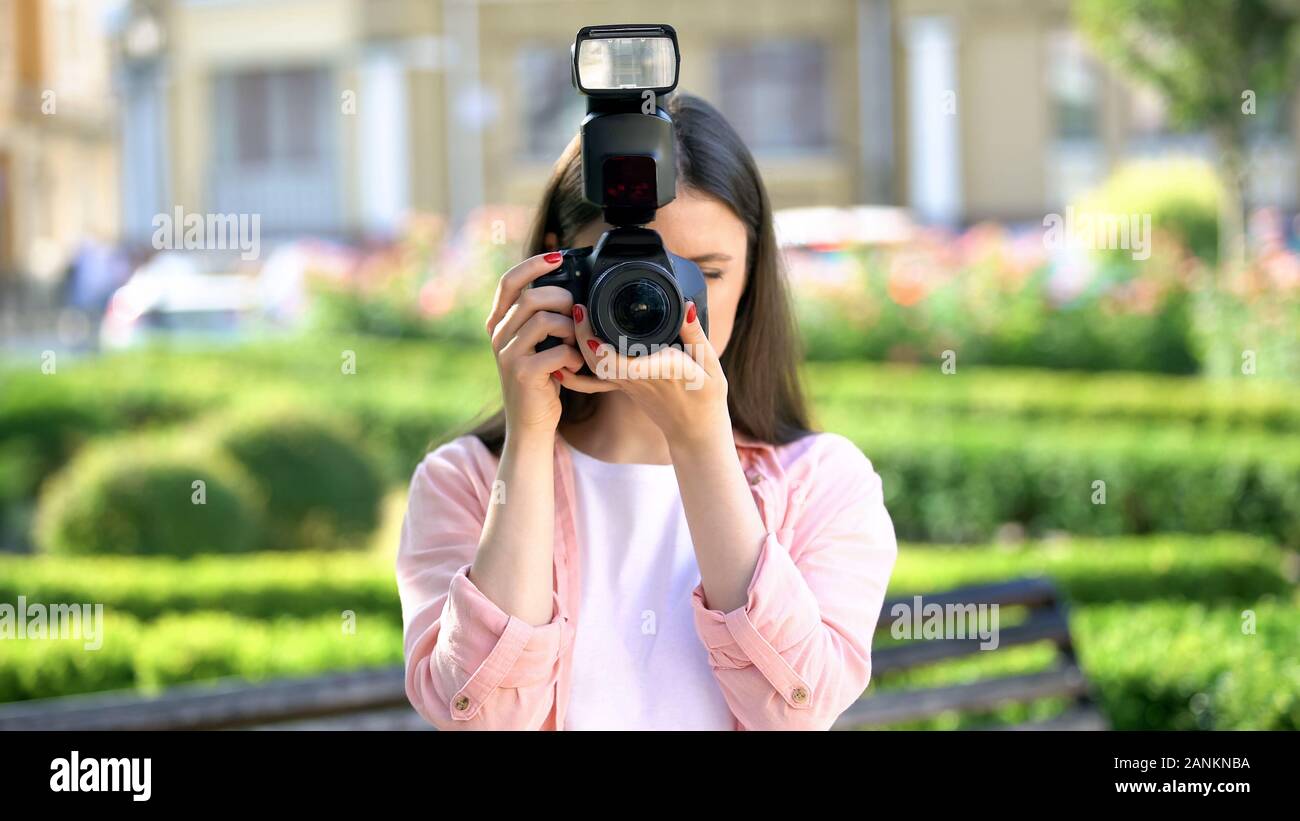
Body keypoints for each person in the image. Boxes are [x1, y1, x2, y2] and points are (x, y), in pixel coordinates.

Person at [396, 94, 897, 730]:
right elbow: (482, 718)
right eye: (635, 272)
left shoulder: (822, 482)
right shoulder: (461, 482)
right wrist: (527, 437)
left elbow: (795, 712)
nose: (665, 306)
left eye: (705, 274)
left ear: (751, 278)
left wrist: (700, 445)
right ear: (558, 266)